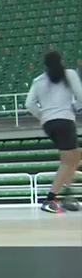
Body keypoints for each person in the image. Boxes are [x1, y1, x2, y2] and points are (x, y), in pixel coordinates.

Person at [25, 51, 82, 214]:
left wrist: (44, 116)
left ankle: (68, 192)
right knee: (68, 160)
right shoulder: (69, 74)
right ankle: (50, 199)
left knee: (75, 156)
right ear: (61, 61)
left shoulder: (38, 80)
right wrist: (76, 107)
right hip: (65, 120)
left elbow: (29, 104)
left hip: (49, 123)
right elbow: (80, 96)